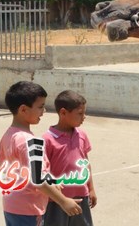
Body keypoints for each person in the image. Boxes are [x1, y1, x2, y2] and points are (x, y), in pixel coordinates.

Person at [0, 81, 83, 226]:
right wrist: (63, 201)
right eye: (40, 107)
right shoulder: (30, 141)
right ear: (23, 109)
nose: (44, 112)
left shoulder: (8, 136)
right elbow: (37, 179)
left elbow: (6, 169)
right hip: (28, 209)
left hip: (11, 205)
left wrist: (50, 181)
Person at [42, 90, 96, 226]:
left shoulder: (82, 135)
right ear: (63, 113)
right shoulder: (47, 139)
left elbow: (86, 163)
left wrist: (91, 188)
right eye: (80, 113)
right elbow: (42, 173)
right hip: (57, 200)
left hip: (81, 197)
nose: (84, 117)